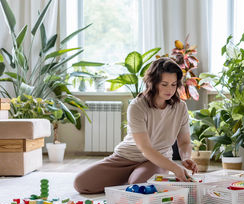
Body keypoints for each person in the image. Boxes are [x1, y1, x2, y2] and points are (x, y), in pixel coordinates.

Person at [74, 58, 198, 194]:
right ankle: (126, 178)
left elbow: (185, 141)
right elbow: (145, 149)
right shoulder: (137, 106)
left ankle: (133, 178)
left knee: (138, 186)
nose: (170, 89)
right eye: (164, 84)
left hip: (157, 161)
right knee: (81, 184)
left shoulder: (180, 107)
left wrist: (186, 157)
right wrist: (175, 168)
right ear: (154, 83)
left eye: (174, 84)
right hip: (126, 157)